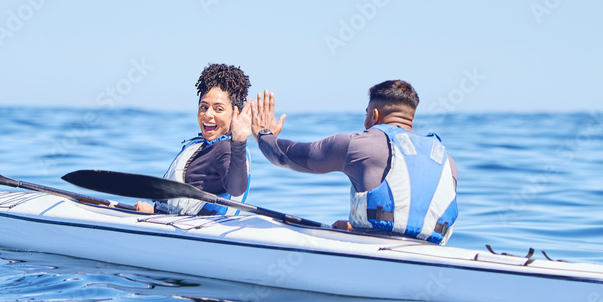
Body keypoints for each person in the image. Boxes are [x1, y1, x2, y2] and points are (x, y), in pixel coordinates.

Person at [250, 79, 458, 244]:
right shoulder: (446, 159)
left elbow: (285, 156)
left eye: (366, 113)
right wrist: (355, 227)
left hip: (378, 253)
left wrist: (264, 135)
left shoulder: (362, 145)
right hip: (432, 252)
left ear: (374, 115)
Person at [135, 63, 252, 215]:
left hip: (195, 232)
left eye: (219, 109)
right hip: (178, 224)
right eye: (204, 107)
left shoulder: (226, 149)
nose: (208, 114)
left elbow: (236, 189)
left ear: (235, 115)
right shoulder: (206, 146)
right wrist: (155, 210)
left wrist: (239, 143)